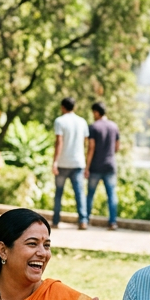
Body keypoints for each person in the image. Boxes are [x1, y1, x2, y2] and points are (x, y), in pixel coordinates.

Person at [52, 97, 89, 230]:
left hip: (63, 163)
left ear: (63, 107)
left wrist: (55, 162)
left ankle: (56, 221)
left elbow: (59, 142)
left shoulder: (59, 121)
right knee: (79, 193)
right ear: (74, 107)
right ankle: (83, 221)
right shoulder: (82, 122)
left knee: (58, 193)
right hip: (78, 163)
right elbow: (86, 142)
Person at [85, 102, 120, 230]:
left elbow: (91, 148)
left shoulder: (93, 127)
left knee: (90, 195)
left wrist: (87, 167)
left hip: (95, 166)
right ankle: (112, 222)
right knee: (111, 195)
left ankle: (85, 220)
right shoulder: (114, 126)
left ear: (96, 112)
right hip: (110, 165)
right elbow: (117, 147)